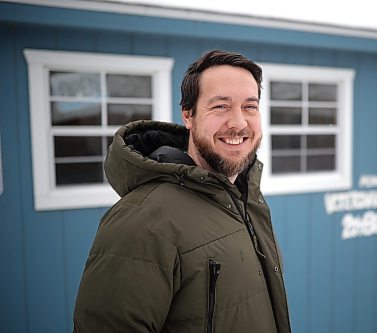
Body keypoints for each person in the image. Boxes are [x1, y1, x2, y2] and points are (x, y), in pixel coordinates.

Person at [73, 49, 291, 333]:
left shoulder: (246, 199)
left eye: (250, 106)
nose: (239, 122)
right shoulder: (142, 220)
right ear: (188, 115)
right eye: (221, 106)